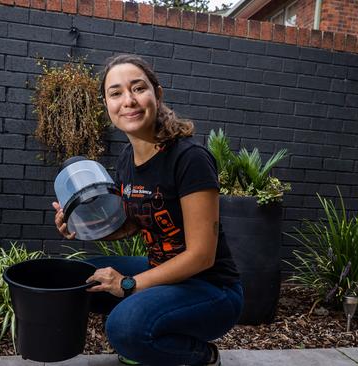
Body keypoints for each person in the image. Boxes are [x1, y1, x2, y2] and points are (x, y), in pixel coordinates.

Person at [52, 54, 242, 366]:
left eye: (138, 88)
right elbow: (132, 224)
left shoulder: (190, 158)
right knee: (78, 277)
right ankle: (149, 326)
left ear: (157, 94)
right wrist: (79, 225)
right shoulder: (127, 159)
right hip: (160, 269)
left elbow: (202, 255)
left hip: (212, 289)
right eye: (116, 93)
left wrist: (129, 285)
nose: (128, 100)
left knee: (125, 328)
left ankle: (200, 356)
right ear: (107, 104)